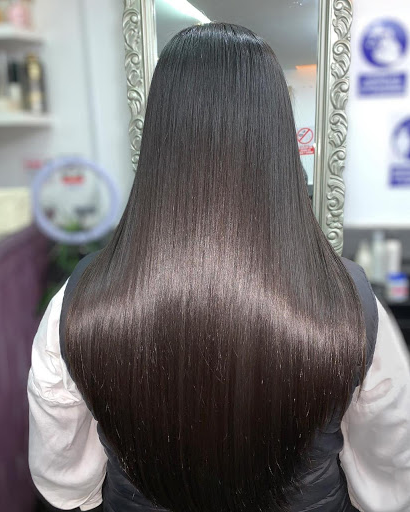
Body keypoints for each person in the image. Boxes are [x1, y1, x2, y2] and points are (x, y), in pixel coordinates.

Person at [28, 23, 410, 512]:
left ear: (159, 135)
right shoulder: (352, 304)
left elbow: (64, 481)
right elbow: (387, 478)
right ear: (278, 136)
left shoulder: (81, 302)